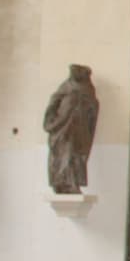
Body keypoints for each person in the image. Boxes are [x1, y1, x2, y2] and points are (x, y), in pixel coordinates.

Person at [43, 64, 100, 194]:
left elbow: (93, 108)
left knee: (76, 156)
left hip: (79, 129)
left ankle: (72, 183)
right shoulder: (66, 87)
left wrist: (88, 106)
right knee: (63, 154)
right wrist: (52, 123)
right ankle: (61, 183)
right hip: (62, 127)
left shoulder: (89, 89)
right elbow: (53, 103)